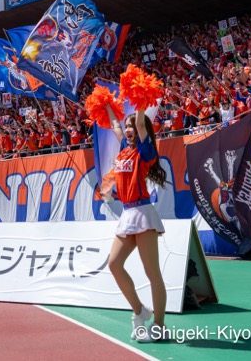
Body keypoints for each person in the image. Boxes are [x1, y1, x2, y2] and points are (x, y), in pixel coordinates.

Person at [105, 105, 168, 343]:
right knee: (114, 264)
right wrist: (108, 105)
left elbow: (142, 125)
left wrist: (140, 102)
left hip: (142, 213)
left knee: (152, 273)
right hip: (127, 214)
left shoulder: (145, 150)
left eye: (132, 126)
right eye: (127, 126)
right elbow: (114, 127)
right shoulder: (124, 149)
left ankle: (160, 325)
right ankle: (140, 310)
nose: (128, 129)